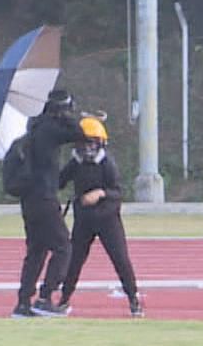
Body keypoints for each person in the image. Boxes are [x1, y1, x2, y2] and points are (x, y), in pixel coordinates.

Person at [56, 117, 142, 318]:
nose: (86, 149)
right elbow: (59, 181)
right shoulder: (75, 163)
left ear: (100, 143)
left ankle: (133, 299)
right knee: (74, 261)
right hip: (83, 220)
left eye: (91, 143)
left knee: (120, 260)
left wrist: (100, 193)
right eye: (83, 143)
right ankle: (64, 299)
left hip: (108, 220)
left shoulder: (107, 164)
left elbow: (118, 192)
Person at [9, 89, 83, 319]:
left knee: (37, 251)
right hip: (44, 197)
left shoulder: (34, 128)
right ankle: (45, 297)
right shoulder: (51, 129)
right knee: (63, 247)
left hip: (29, 199)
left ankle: (23, 302)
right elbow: (78, 133)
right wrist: (70, 116)